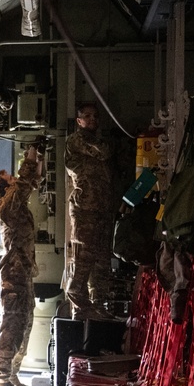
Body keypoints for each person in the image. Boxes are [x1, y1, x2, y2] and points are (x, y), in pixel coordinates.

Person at [0, 145, 42, 386]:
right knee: (13, 324)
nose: (14, 177)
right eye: (9, 176)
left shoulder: (13, 205)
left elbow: (30, 183)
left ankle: (11, 373)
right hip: (15, 273)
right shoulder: (7, 205)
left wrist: (37, 159)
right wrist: (29, 157)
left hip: (23, 271)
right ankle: (0, 374)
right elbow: (24, 184)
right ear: (3, 187)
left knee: (25, 324)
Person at [64, 102, 114, 320]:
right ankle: (80, 305)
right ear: (79, 121)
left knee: (102, 259)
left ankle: (100, 306)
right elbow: (104, 152)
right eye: (87, 116)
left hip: (101, 207)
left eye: (95, 116)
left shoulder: (93, 139)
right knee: (84, 257)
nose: (92, 119)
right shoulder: (77, 139)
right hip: (85, 207)